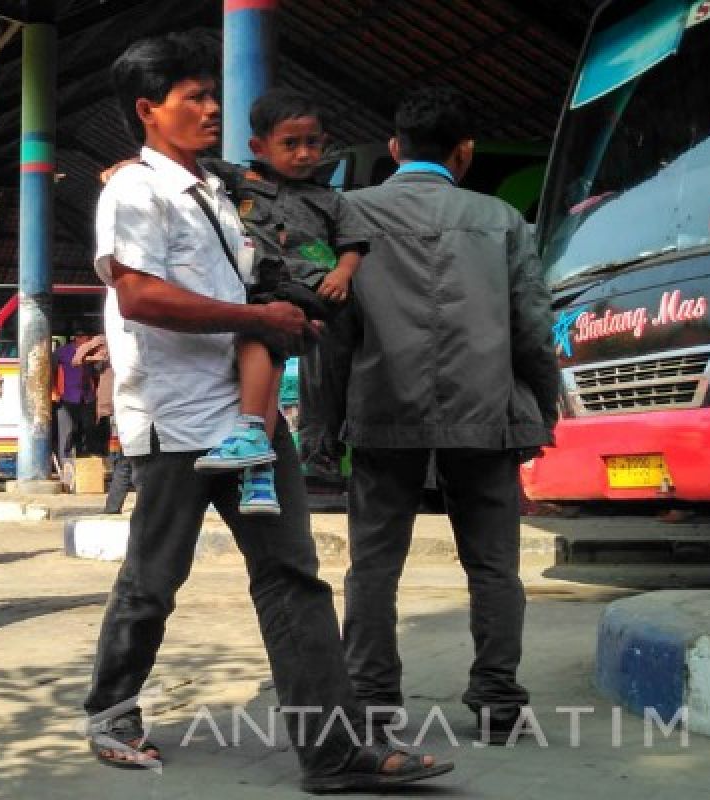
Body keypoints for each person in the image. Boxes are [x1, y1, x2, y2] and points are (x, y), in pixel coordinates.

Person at [84, 31, 450, 792]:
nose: (212, 107)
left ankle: (335, 752)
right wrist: (256, 320)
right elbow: (139, 296)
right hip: (176, 418)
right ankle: (111, 711)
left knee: (292, 576)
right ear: (149, 111)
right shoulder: (133, 192)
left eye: (213, 94)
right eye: (195, 97)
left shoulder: (220, 191)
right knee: (154, 580)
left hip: (247, 418)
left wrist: (285, 315)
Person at [339, 86, 560, 744]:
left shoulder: (350, 213)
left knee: (373, 565)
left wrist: (322, 427)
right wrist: (539, 412)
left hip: (382, 411)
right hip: (485, 411)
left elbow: (331, 332)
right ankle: (497, 700)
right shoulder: (500, 220)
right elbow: (533, 330)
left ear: (393, 149)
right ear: (464, 153)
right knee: (493, 565)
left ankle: (373, 700)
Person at [191, 87, 367, 514]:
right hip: (259, 287)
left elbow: (354, 245)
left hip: (308, 291)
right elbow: (179, 168)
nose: (304, 153)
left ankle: (252, 433)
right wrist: (133, 166)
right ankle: (260, 473)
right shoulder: (237, 178)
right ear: (259, 146)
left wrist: (342, 274)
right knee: (265, 368)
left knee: (259, 337)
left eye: (313, 143)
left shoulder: (332, 200)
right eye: (290, 144)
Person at [72, 334, 134, 514]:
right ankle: (114, 507)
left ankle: (114, 507)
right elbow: (76, 360)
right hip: (114, 409)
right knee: (123, 459)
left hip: (127, 408)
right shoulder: (107, 349)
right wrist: (96, 345)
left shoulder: (125, 349)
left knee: (126, 460)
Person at [52, 330, 100, 464]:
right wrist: (54, 391)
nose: (89, 341)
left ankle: (84, 463)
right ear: (77, 338)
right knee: (67, 433)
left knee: (87, 431)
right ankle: (66, 467)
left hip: (86, 398)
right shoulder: (62, 352)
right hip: (66, 398)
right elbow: (49, 369)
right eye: (86, 338)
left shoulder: (92, 352)